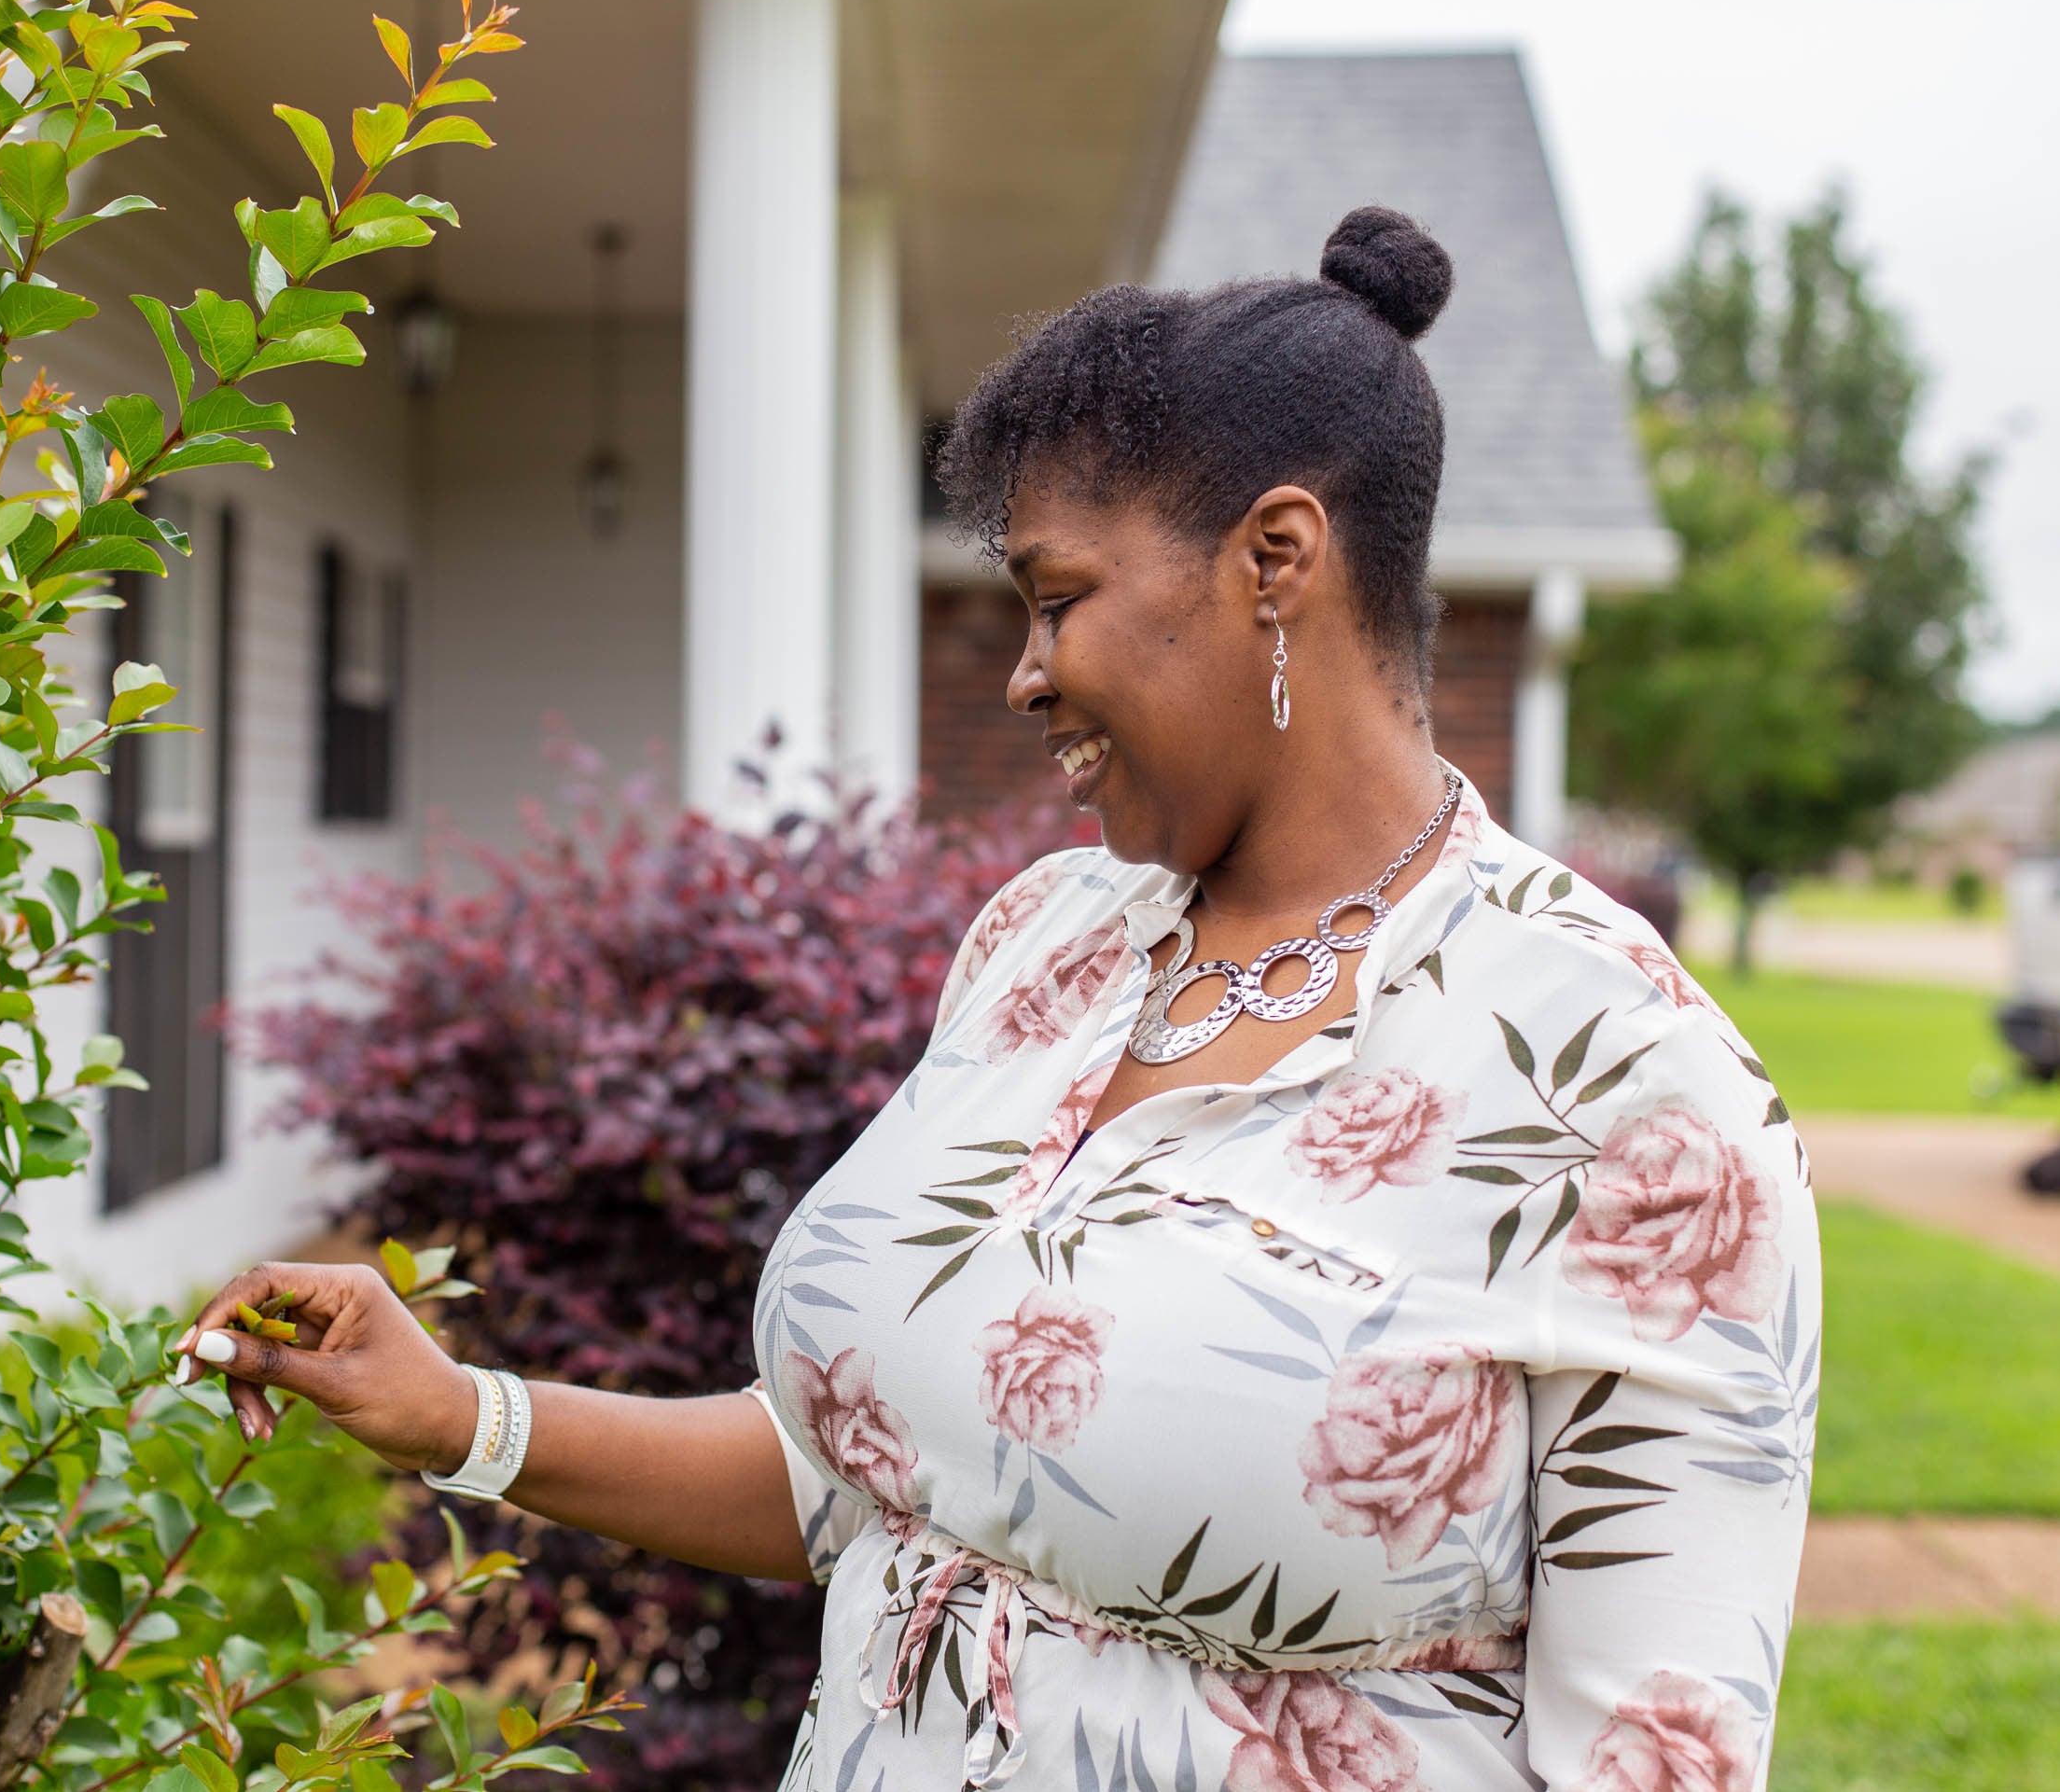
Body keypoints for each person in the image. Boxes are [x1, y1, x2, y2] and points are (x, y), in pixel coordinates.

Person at [183, 206, 1818, 1791]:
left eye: (1058, 596)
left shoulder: (1632, 1089)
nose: (1023, 668)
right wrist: (461, 1410)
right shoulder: (1047, 943)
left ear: (1276, 560)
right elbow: (875, 1477)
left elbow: (1648, 1757)